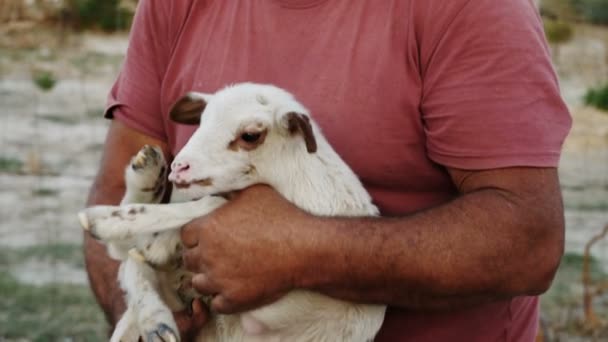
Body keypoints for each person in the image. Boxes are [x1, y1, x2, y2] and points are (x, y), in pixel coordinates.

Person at [84, 0, 572, 341]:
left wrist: (302, 251)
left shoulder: (471, 9)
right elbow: (113, 198)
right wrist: (142, 312)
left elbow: (528, 240)